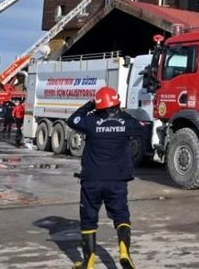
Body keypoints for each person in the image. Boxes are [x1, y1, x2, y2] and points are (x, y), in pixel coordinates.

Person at [66, 86, 145, 269]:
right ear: (116, 104)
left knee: (88, 219)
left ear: (99, 105)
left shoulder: (91, 121)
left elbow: (72, 120)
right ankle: (124, 252)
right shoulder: (126, 123)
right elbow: (141, 128)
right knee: (121, 216)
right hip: (117, 181)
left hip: (92, 180)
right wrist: (122, 116)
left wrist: (90, 105)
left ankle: (89, 262)